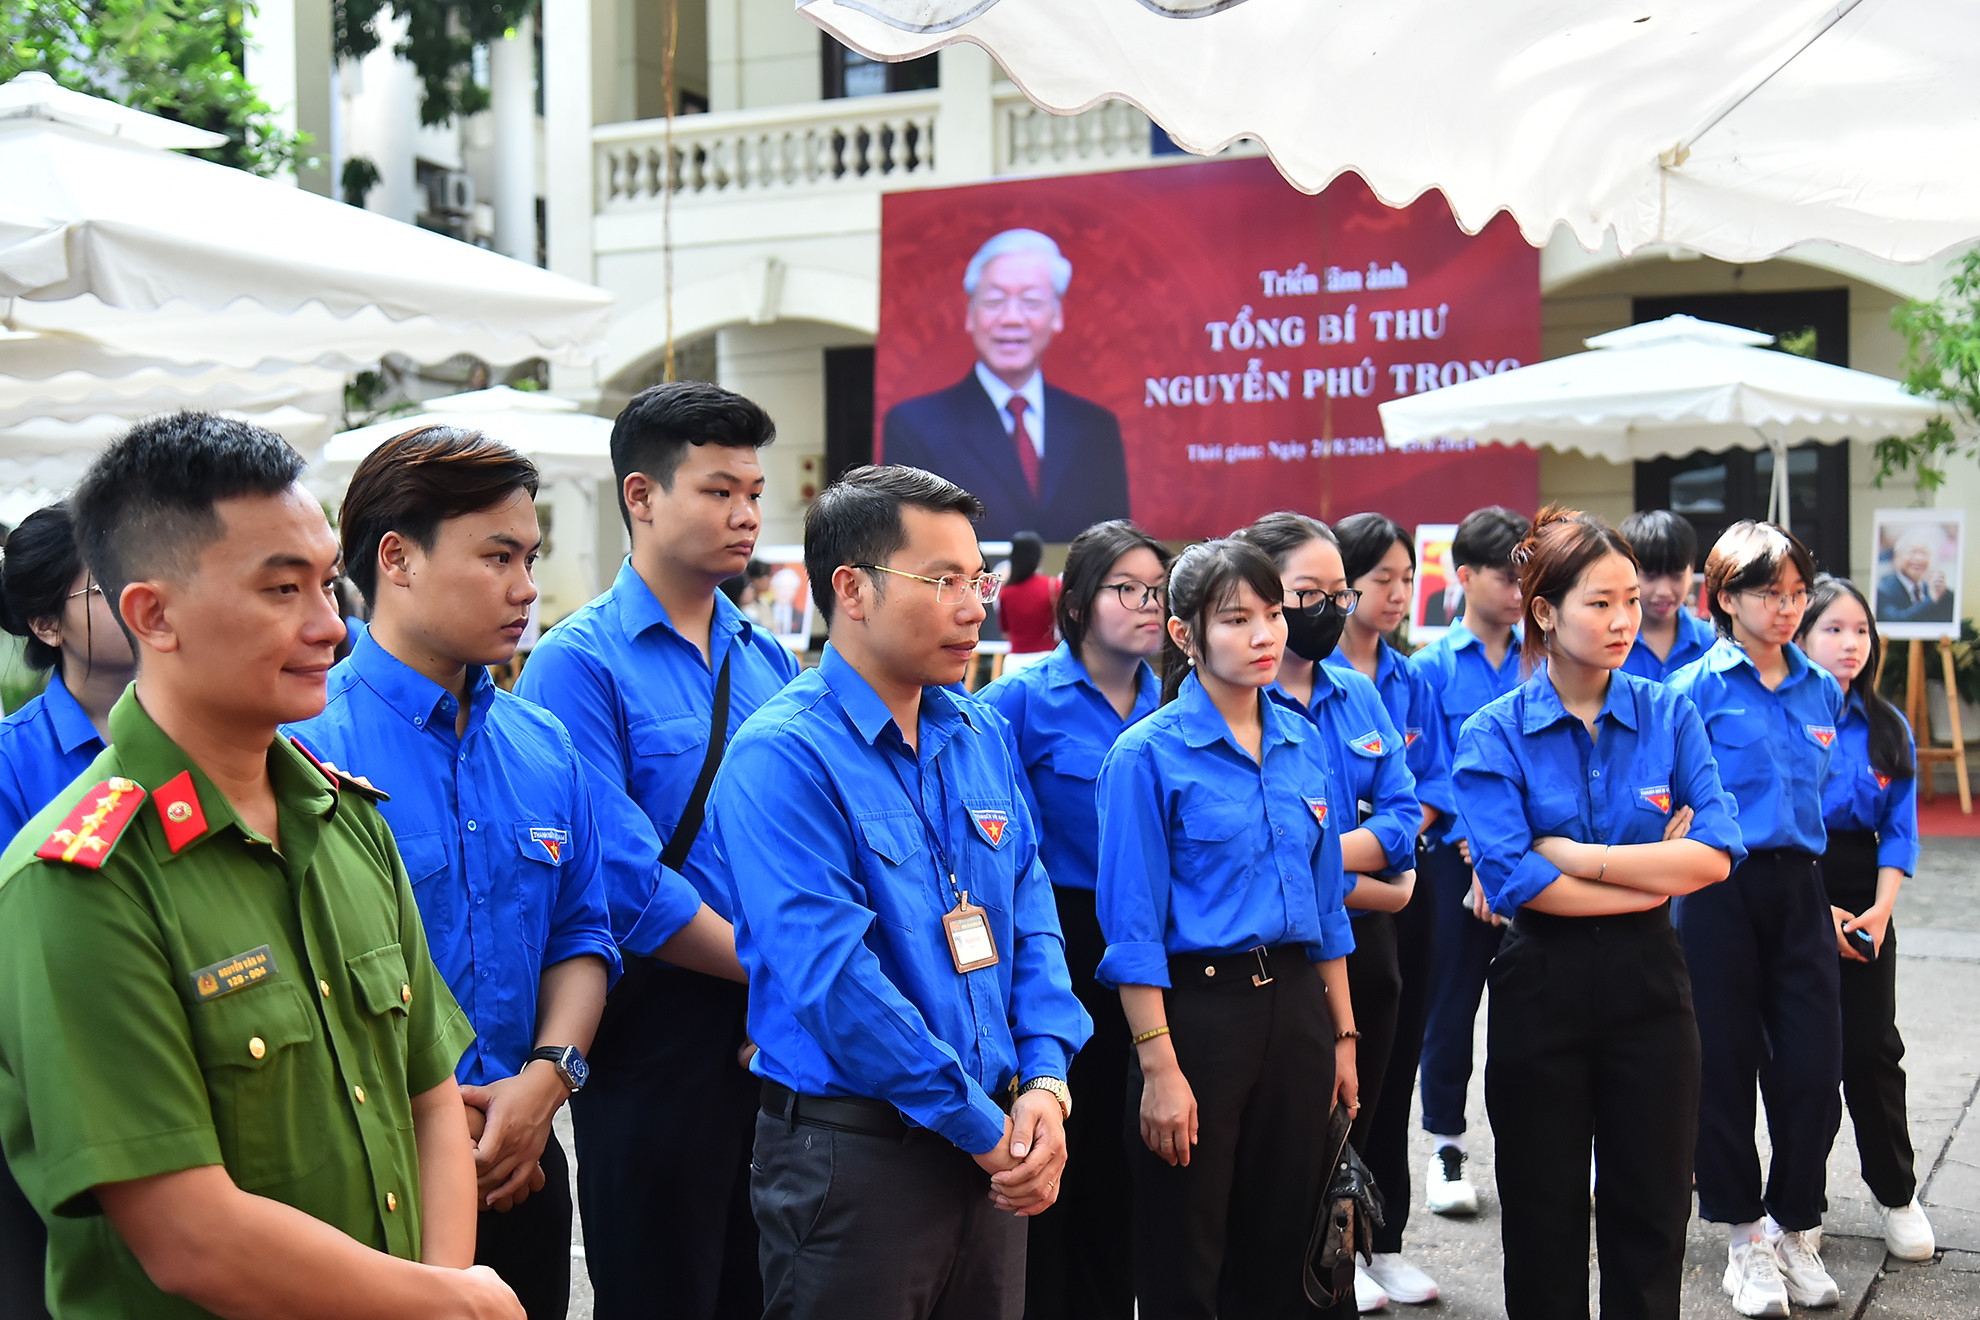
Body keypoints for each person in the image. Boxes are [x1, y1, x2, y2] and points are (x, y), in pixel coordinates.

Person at [0, 411, 520, 1320]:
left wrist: (440, 1288)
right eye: (283, 591)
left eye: (328, 585)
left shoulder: (346, 821)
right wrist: (450, 1307)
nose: (333, 628)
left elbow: (432, 1099)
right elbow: (188, 1234)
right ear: (152, 615)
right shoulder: (78, 879)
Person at [706, 464, 1088, 1320]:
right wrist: (988, 1130)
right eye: (942, 580)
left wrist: (1045, 1084)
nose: (973, 605)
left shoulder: (978, 728)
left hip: (996, 1146)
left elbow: (1030, 910)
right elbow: (837, 985)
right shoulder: (784, 756)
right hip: (858, 1162)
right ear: (852, 589)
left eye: (976, 579)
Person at [286, 427, 625, 1318]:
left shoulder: (541, 745)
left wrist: (546, 1082)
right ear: (396, 558)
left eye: (531, 557)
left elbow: (583, 933)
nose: (525, 588)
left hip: (524, 1166)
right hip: (365, 1179)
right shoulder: (300, 745)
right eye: (498, 557)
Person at [514, 381, 799, 1320]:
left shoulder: (767, 659)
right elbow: (624, 885)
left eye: (754, 492)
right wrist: (777, 973)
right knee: (663, 1284)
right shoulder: (578, 662)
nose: (746, 514)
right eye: (719, 491)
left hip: (777, 1021)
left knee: (766, 1281)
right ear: (641, 496)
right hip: (659, 1021)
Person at [1454, 507, 1742, 1320]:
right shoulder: (1493, 733)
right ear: (1544, 611)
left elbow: (1715, 851)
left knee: (1651, 1212)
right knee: (1542, 1216)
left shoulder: (1668, 713)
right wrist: (1657, 873)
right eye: (1600, 603)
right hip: (1539, 981)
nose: (1624, 620)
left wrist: (1582, 858)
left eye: (1629, 601)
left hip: (1652, 981)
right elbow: (1517, 882)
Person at [1097, 537, 1359, 1320]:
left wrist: (1343, 1038)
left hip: (1298, 1013)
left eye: (1274, 615)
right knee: (1188, 1247)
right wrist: (1160, 1071)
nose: (1266, 636)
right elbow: (1133, 931)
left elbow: (1328, 910)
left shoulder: (1303, 737)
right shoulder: (1145, 757)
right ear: (1185, 635)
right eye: (1237, 619)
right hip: (1201, 1020)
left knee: (1290, 1241)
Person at [979, 519, 1169, 1320]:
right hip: (1059, 936)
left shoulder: (1180, 703)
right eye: (1128, 589)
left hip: (1154, 942)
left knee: (1134, 1157)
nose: (1148, 606)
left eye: (1159, 591)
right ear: (1082, 602)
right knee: (1062, 1139)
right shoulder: (1021, 698)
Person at [1238, 512, 1422, 1315]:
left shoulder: (1358, 694)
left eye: (1336, 594)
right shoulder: (1235, 699)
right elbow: (1243, 853)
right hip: (1273, 959)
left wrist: (1311, 855)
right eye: (1303, 594)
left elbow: (1403, 820)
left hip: (1366, 947)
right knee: (1280, 1155)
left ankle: (1354, 1263)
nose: (1325, 611)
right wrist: (1357, 861)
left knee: (1361, 1120)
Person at [1668, 521, 1847, 1318]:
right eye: (1769, 594)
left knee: (1814, 1068)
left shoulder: (1821, 687)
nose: (1787, 608)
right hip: (1716, 889)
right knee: (1722, 1064)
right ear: (1725, 600)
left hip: (1800, 887)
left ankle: (1792, 1224)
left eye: (1798, 594)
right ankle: (1744, 1236)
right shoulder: (1690, 690)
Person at [0, 502, 138, 1316]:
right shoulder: (14, 763)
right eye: (104, 586)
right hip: (57, 1109)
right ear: (48, 623)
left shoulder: (210, 738)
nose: (135, 596)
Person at [1326, 511, 1459, 1309]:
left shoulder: (1408, 677)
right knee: (1337, 1082)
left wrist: (1395, 836)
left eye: (1408, 579)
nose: (1399, 594)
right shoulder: (1301, 676)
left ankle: (1387, 1239)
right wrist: (1378, 840)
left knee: (1394, 1068)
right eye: (1383, 579)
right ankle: (1337, 1243)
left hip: (1406, 893)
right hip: (1336, 898)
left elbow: (1430, 788)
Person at [1791, 576, 1936, 1262]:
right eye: (1833, 629)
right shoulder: (1784, 718)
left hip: (1867, 889)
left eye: (1861, 631)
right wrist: (1817, 911)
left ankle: (1898, 1195)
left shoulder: (1889, 724)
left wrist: (1880, 910)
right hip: (1795, 885)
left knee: (1874, 1050)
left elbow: (1899, 833)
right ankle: (1797, 1203)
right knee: (1805, 1055)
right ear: (1799, 635)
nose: (1850, 644)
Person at [1408, 504, 1529, 1217]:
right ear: (1464, 578)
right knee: (1450, 1003)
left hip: (1526, 858)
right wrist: (1478, 849)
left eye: (1526, 575)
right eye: (1504, 575)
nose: (1518, 589)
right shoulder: (1429, 667)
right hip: (1455, 860)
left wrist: (1504, 853)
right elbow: (1429, 768)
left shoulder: (1542, 656)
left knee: (1533, 1007)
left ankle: (1535, 1141)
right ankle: (1446, 1146)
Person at [881, 228, 1131, 541]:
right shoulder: (915, 425)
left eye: (1031, 301)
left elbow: (1116, 543)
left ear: (1057, 315)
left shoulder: (1095, 427)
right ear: (971, 314)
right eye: (995, 300)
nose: (1012, 318)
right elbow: (908, 540)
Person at [1617, 509, 1715, 682]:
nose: (1664, 591)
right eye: (1651, 576)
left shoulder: (1713, 645)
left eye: (1676, 576)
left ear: (1691, 572)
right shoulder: (1609, 645)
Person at [996, 530, 1060, 661]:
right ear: (1038, 556)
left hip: (1014, 662)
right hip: (1047, 659)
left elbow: (1005, 632)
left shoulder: (1005, 593)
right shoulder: (1053, 586)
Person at [1874, 526, 1955, 624]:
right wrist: (1930, 600)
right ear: (1897, 557)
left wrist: (1941, 590)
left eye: (1924, 553)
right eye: (1912, 552)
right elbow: (1896, 621)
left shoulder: (1927, 588)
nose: (1918, 559)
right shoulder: (1883, 588)